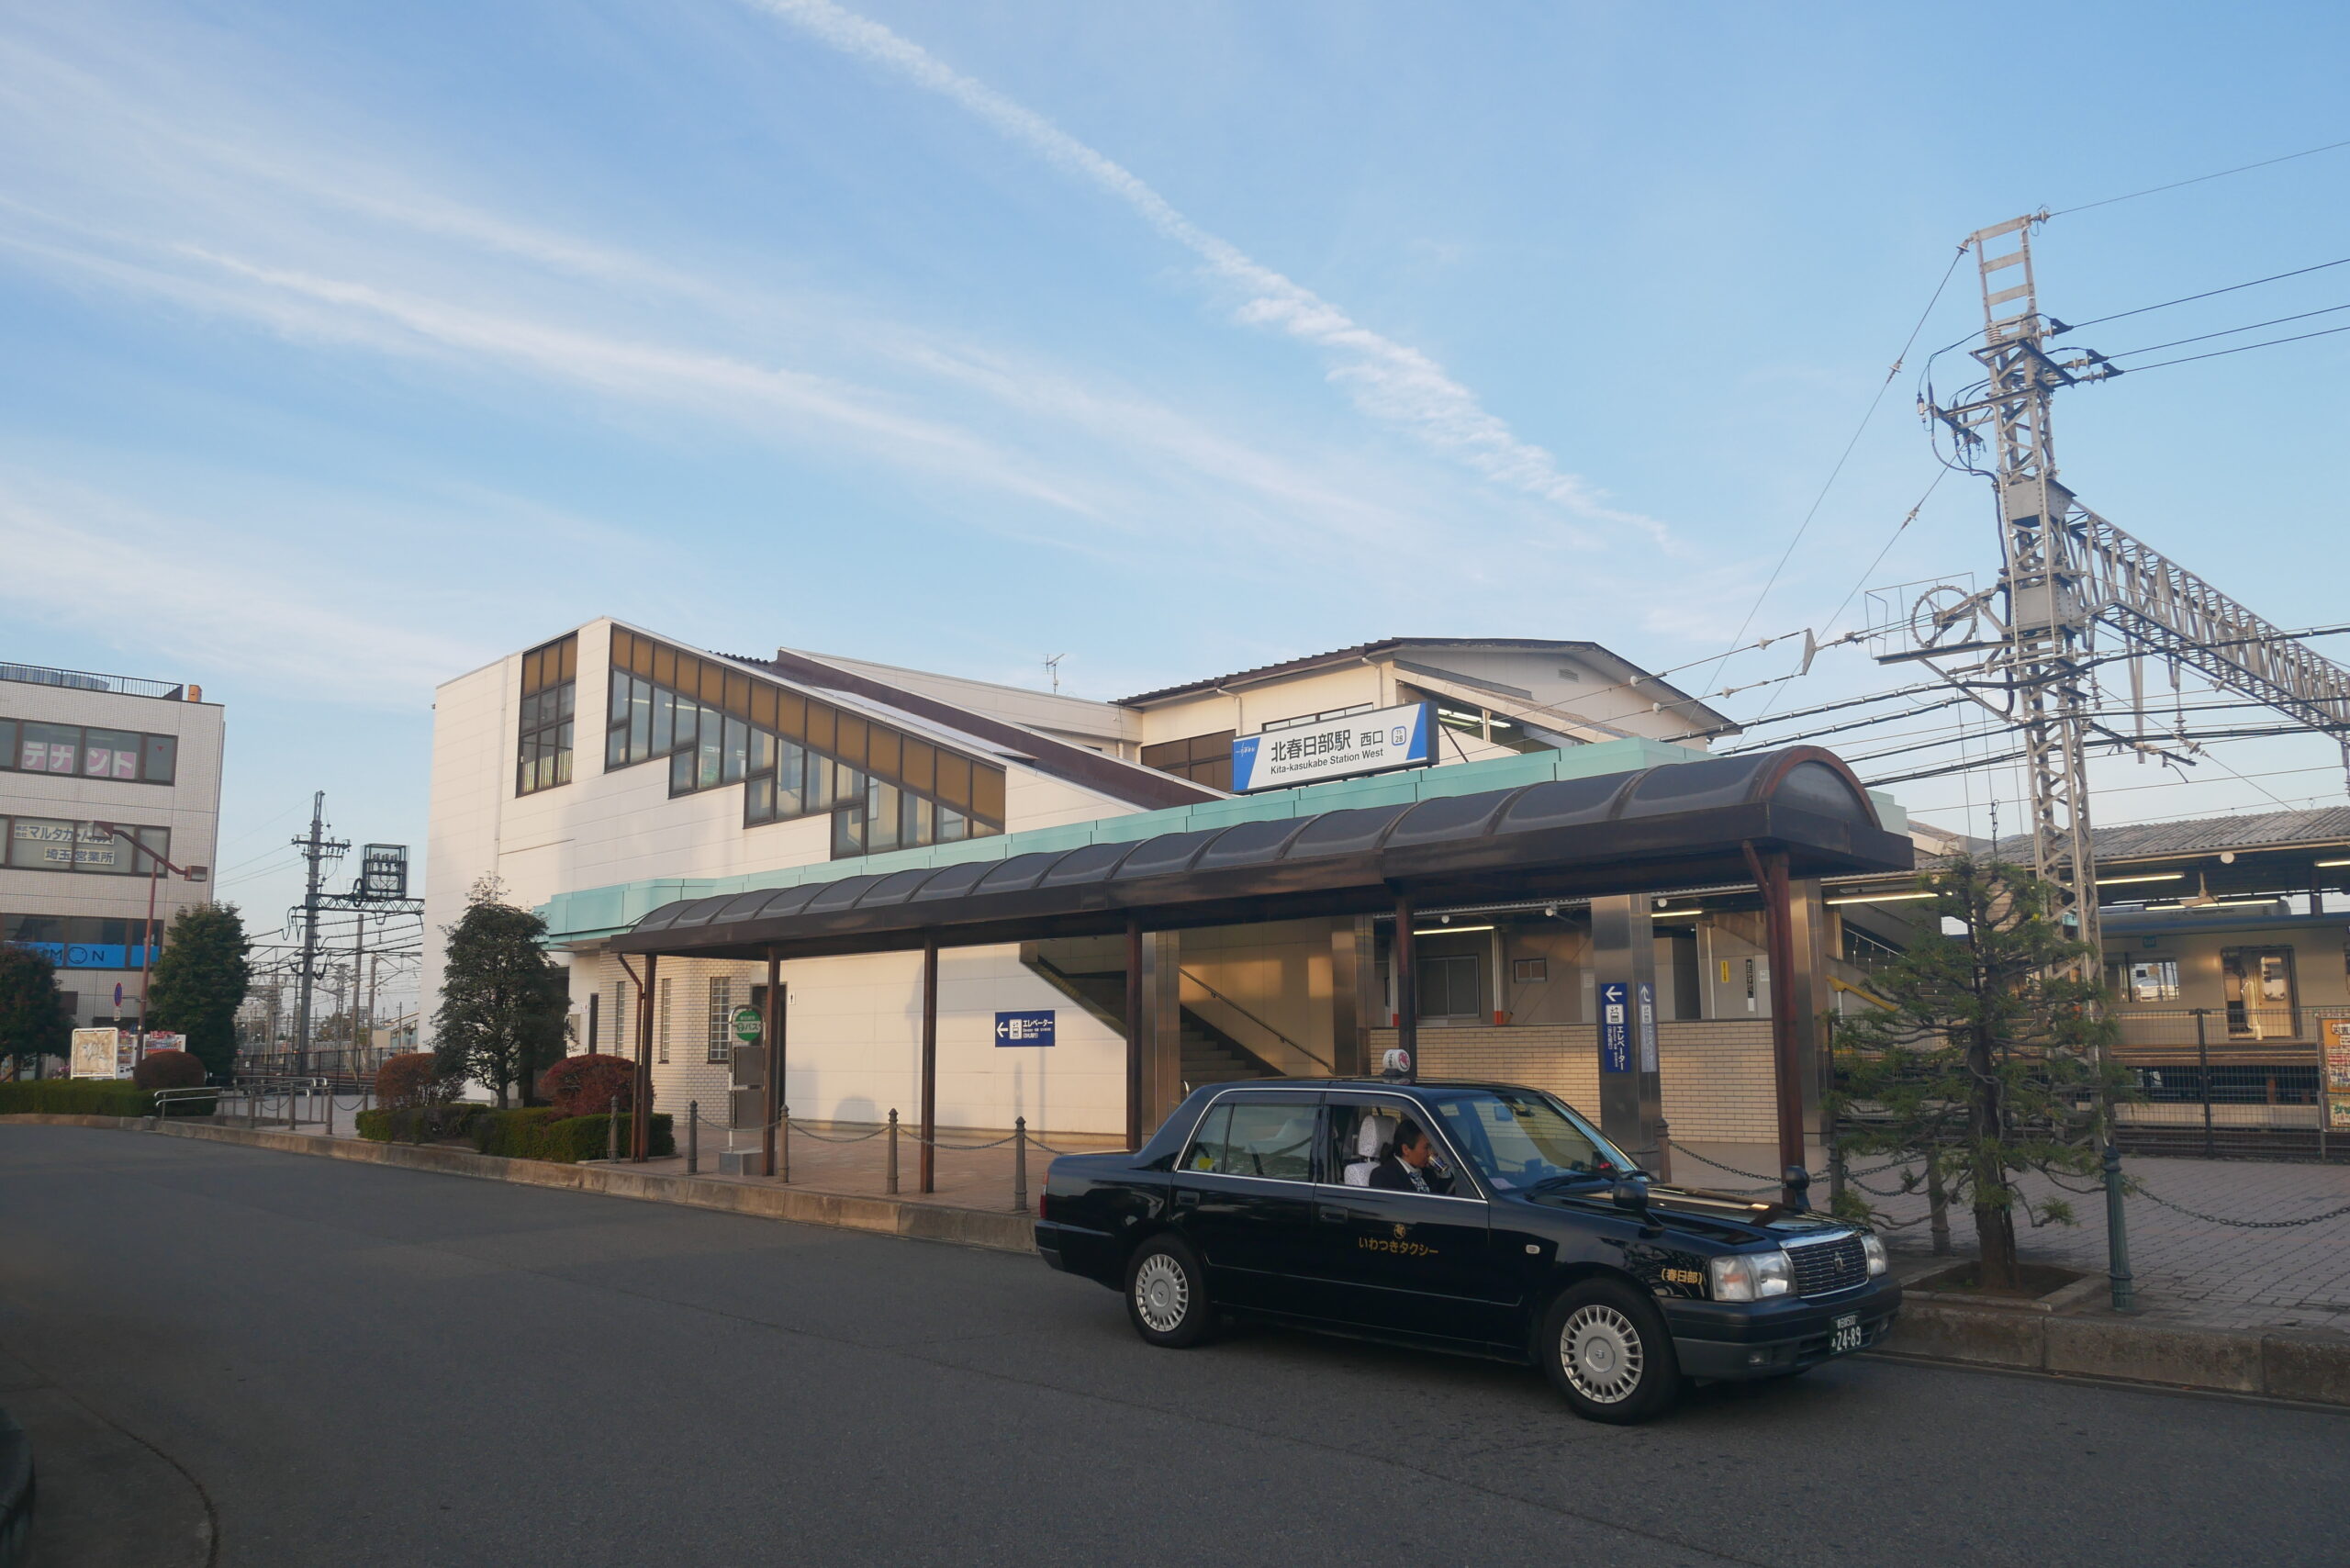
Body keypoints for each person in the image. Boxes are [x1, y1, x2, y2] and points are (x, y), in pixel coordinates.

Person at [1370, 1119, 1454, 1195]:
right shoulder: (1383, 1176)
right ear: (1406, 1149)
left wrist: (1444, 1171)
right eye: (1426, 1148)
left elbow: (1444, 1198)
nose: (1430, 1153)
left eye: (1430, 1147)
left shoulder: (1428, 1173)